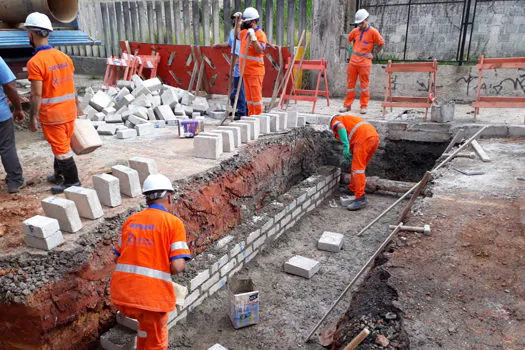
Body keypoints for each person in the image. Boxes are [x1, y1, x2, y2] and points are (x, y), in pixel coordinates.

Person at [110, 173, 191, 349]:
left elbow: (117, 257)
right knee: (156, 343)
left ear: (147, 199)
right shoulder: (173, 223)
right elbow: (177, 266)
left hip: (123, 294)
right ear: (169, 197)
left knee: (144, 332)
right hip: (151, 300)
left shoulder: (130, 221)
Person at [24, 12, 83, 194]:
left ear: (31, 34)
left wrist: (32, 117)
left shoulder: (35, 62)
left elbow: (36, 95)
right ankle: (59, 175)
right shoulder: (63, 57)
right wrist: (77, 107)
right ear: (48, 34)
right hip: (69, 112)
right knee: (60, 144)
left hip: (53, 116)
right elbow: (72, 86)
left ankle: (72, 181)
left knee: (61, 148)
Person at [330, 114, 380, 211]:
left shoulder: (335, 121)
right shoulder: (349, 121)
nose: (339, 138)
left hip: (364, 139)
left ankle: (360, 198)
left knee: (357, 170)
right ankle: (352, 188)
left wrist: (345, 145)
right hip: (373, 138)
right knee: (359, 167)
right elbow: (352, 135)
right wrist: (351, 153)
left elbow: (340, 127)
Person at [341, 9, 385, 115]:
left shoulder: (373, 32)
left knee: (364, 86)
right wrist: (350, 46)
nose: (359, 25)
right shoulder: (355, 31)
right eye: (358, 23)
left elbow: (381, 43)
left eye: (361, 23)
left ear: (366, 20)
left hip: (365, 63)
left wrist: (373, 54)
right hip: (353, 63)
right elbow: (349, 39)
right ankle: (347, 105)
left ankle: (364, 106)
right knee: (350, 85)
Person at [234, 7, 268, 116]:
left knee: (256, 98)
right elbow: (237, 35)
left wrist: (254, 39)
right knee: (249, 99)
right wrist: (237, 23)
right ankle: (250, 117)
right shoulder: (245, 33)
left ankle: (257, 117)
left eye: (246, 21)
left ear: (253, 22)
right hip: (246, 71)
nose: (244, 23)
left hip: (255, 72)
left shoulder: (260, 34)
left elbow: (260, 50)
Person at [213, 12, 247, 119]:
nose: (235, 21)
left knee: (238, 91)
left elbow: (236, 53)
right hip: (236, 68)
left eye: (237, 20)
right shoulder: (233, 32)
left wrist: (232, 67)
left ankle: (242, 112)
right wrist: (218, 45)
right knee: (236, 90)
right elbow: (229, 44)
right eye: (234, 20)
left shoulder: (243, 34)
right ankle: (239, 109)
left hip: (239, 67)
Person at [0, 57, 25, 193]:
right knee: (6, 147)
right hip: (1, 115)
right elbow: (9, 86)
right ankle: (15, 181)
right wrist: (18, 108)